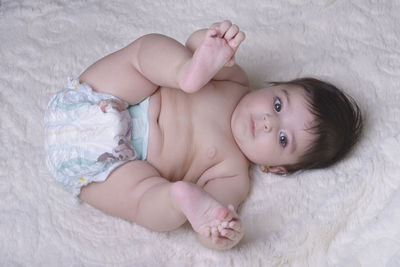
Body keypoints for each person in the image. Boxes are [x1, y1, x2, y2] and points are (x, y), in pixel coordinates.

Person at [44, 20, 362, 250]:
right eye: (278, 104)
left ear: (276, 169)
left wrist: (218, 229)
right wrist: (213, 44)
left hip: (106, 168)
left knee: (146, 204)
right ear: (273, 86)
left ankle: (176, 198)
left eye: (282, 139)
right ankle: (185, 72)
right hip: (103, 98)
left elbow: (214, 214)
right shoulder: (234, 80)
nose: (267, 121)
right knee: (144, 54)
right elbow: (194, 43)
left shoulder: (233, 174)